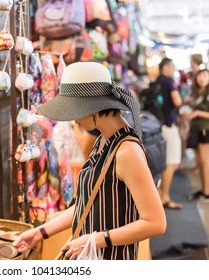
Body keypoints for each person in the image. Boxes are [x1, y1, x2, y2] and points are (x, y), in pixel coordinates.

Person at [13, 62, 166, 260]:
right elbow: (87, 203)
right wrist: (41, 232)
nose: (74, 120)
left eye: (76, 111)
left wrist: (96, 239)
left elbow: (155, 222)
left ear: (94, 108)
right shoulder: (104, 140)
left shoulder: (127, 151)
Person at [155, 58, 183, 209]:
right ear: (165, 67)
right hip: (168, 125)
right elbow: (177, 101)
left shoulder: (157, 80)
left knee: (162, 161)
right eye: (172, 66)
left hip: (158, 125)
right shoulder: (169, 81)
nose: (173, 69)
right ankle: (164, 197)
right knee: (171, 161)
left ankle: (160, 193)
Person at [183, 69, 209, 200]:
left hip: (205, 130)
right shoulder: (198, 92)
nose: (202, 78)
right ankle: (204, 190)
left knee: (204, 162)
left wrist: (197, 113)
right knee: (199, 161)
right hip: (196, 129)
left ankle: (206, 192)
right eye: (200, 76)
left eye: (205, 76)